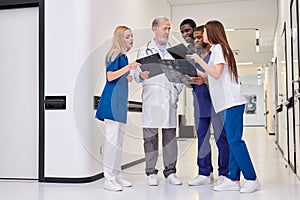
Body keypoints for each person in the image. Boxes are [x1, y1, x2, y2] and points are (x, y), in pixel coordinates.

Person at [188, 20, 260, 193]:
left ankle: (251, 178)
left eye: (204, 32)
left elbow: (215, 73)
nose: (202, 36)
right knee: (231, 140)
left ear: (212, 33)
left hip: (232, 102)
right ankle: (234, 179)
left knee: (235, 140)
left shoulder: (219, 48)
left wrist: (199, 60)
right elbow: (210, 76)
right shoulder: (215, 52)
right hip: (225, 104)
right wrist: (190, 69)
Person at [134, 16, 183, 186]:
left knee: (170, 138)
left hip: (169, 99)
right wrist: (139, 75)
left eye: (169, 29)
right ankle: (151, 172)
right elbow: (136, 74)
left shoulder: (176, 51)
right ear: (154, 29)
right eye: (165, 28)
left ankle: (170, 172)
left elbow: (181, 76)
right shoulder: (144, 50)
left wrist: (176, 92)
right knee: (150, 139)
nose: (168, 32)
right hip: (151, 99)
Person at [180, 23, 229, 186]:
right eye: (195, 38)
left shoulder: (216, 53)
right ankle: (204, 172)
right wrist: (187, 80)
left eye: (200, 36)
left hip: (216, 101)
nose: (197, 40)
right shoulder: (194, 55)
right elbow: (192, 82)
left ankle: (224, 172)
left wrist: (204, 79)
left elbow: (218, 76)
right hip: (200, 102)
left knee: (221, 138)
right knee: (202, 138)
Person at [95, 25, 141, 192]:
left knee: (119, 142)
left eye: (132, 36)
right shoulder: (114, 54)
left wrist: (127, 76)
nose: (131, 39)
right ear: (120, 39)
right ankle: (109, 178)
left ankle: (116, 174)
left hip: (120, 103)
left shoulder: (123, 56)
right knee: (112, 142)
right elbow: (110, 76)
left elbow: (117, 76)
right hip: (111, 103)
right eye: (128, 36)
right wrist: (128, 69)